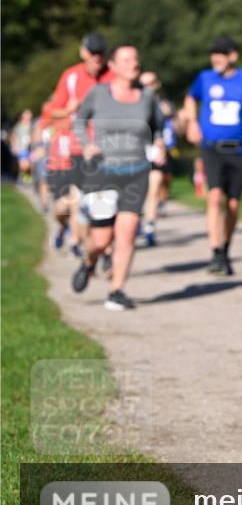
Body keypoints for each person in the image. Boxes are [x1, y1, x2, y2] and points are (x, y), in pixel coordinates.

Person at [71, 45, 165, 310]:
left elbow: (159, 126)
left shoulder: (147, 97)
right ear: (112, 66)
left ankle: (117, 290)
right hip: (103, 173)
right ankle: (88, 261)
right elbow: (79, 120)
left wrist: (159, 144)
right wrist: (86, 143)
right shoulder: (99, 94)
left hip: (136, 172)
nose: (133, 63)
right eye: (126, 59)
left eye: (135, 58)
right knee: (101, 239)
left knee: (127, 233)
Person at [184, 36, 242, 275]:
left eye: (221, 53)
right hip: (212, 148)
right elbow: (191, 98)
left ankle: (224, 249)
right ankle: (214, 251)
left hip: (239, 149)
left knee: (233, 203)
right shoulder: (204, 78)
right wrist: (191, 122)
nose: (216, 58)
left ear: (233, 56)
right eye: (214, 53)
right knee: (214, 197)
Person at [48, 32, 113, 256]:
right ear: (83, 52)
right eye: (92, 53)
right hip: (78, 149)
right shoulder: (71, 76)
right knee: (73, 202)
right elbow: (51, 112)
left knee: (104, 202)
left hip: (109, 150)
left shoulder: (113, 76)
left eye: (100, 53)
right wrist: (68, 109)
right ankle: (79, 242)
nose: (97, 58)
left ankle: (101, 249)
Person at [138, 70, 177, 247]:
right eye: (144, 84)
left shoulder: (164, 105)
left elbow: (172, 127)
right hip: (136, 152)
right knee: (139, 192)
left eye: (151, 83)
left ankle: (150, 227)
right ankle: (136, 221)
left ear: (157, 84)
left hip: (156, 150)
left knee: (154, 189)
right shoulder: (133, 102)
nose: (148, 87)